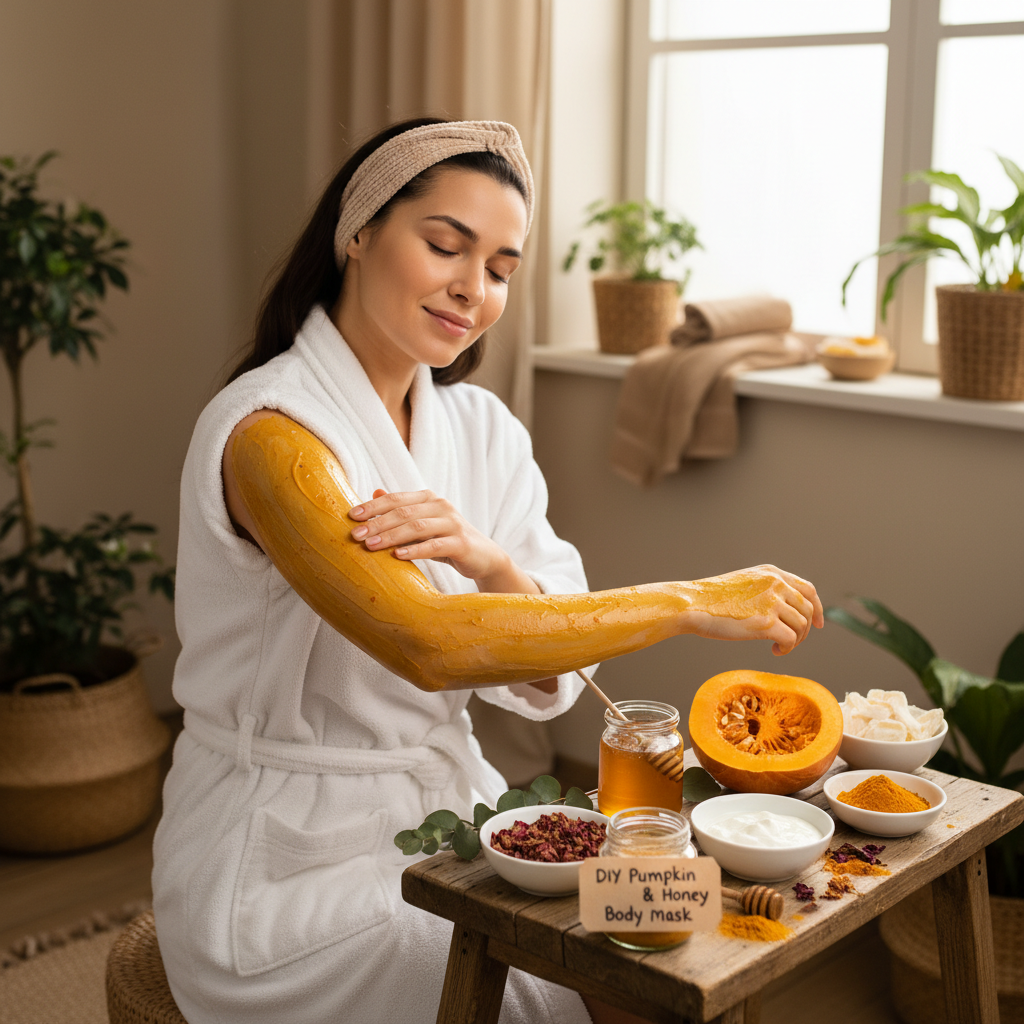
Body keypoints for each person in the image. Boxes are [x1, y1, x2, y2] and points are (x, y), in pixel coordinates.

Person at [153, 117, 823, 1024]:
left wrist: (491, 558)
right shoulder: (271, 436)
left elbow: (553, 676)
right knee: (587, 976)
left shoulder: (483, 432)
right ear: (357, 232)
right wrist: (692, 601)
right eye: (445, 246)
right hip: (286, 862)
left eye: (503, 269)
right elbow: (429, 645)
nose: (473, 289)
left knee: (680, 930)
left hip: (458, 823)